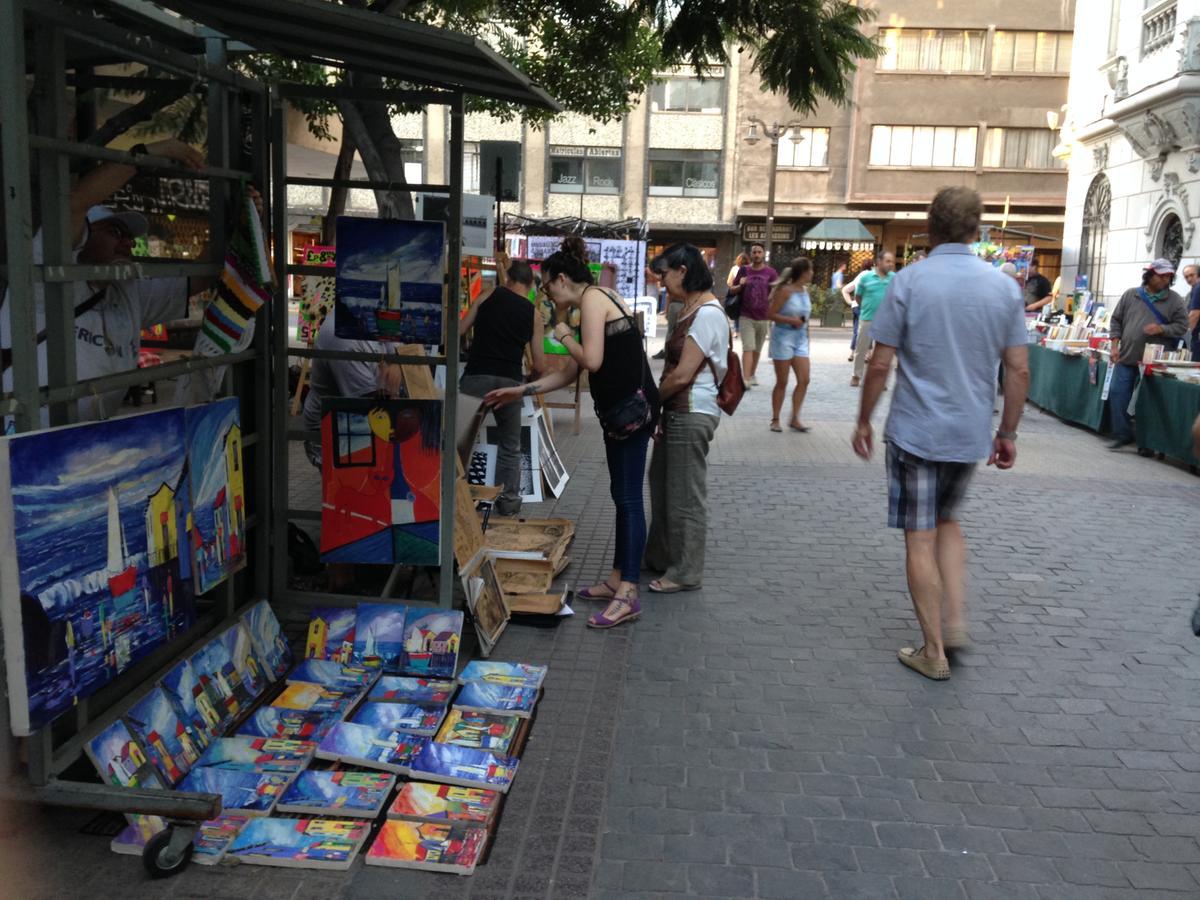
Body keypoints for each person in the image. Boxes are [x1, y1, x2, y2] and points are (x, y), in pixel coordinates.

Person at [852, 186, 1030, 682]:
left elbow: (881, 361)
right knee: (947, 520)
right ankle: (954, 621)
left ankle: (933, 650)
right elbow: (1018, 370)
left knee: (920, 535)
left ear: (930, 228)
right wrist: (1008, 431)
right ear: (977, 230)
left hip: (915, 430)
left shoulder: (909, 281)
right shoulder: (1004, 288)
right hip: (969, 432)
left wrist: (864, 418)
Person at [484, 237, 657, 630]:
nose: (546, 295)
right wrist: (519, 390)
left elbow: (591, 361)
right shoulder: (597, 300)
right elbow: (567, 373)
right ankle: (618, 577)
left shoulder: (594, 299)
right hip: (621, 416)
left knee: (629, 499)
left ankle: (628, 593)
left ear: (562, 279)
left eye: (547, 287)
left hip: (630, 415)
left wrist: (560, 328)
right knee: (621, 496)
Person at [1, 138, 211, 424]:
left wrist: (243, 217)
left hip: (89, 444)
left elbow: (201, 276)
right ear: (84, 235)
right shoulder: (44, 277)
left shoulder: (126, 290)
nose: (126, 244)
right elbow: (76, 203)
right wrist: (144, 155)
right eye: (114, 232)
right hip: (25, 440)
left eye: (129, 238)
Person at [643, 243, 729, 594]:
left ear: (682, 270)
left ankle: (685, 571)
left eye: (664, 273)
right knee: (661, 481)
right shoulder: (687, 308)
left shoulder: (707, 313)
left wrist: (649, 403)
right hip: (677, 412)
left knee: (684, 495)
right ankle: (661, 556)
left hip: (693, 411)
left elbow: (682, 375)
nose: (661, 281)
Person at [459, 259, 544, 516]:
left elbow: (459, 329)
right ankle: (508, 502)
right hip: (509, 381)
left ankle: (454, 499)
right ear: (530, 284)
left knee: (461, 441)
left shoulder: (486, 296)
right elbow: (540, 363)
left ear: (507, 278)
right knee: (510, 444)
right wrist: (531, 377)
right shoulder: (534, 314)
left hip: (476, 377)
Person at [301, 307, 402, 468]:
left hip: (363, 419)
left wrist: (397, 362)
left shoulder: (375, 314)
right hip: (336, 432)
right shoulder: (343, 337)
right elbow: (368, 405)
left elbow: (399, 353)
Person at [1106, 259, 1190, 449]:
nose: (1165, 280)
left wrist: (1161, 329)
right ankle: (1122, 434)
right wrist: (1113, 346)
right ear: (1150, 275)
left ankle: (1146, 442)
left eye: (1169, 276)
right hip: (1127, 356)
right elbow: (1116, 321)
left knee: (1147, 402)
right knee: (1118, 394)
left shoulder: (1175, 300)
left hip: (1153, 362)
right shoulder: (1131, 295)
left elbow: (1182, 327)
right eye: (1161, 276)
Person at [766, 257, 813, 433]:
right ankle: (775, 419)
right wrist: (790, 320)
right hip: (783, 338)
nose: (812, 273)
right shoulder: (785, 291)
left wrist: (808, 338)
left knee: (804, 379)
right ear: (803, 272)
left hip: (800, 339)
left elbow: (806, 318)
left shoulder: (805, 290)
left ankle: (794, 418)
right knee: (782, 381)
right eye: (811, 269)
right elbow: (770, 314)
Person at [728, 243, 777, 386]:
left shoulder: (771, 272)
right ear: (751, 254)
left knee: (757, 350)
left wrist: (773, 296)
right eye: (754, 252)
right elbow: (732, 290)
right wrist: (740, 284)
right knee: (748, 347)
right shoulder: (744, 270)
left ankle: (752, 374)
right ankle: (746, 378)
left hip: (763, 316)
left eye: (759, 252)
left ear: (763, 254)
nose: (756, 254)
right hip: (746, 315)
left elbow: (776, 290)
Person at [849, 251, 895, 387]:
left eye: (892, 261)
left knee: (882, 352)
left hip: (886, 321)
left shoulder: (894, 278)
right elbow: (858, 297)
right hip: (867, 317)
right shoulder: (865, 278)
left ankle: (879, 381)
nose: (891, 264)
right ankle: (856, 376)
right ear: (879, 262)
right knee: (861, 349)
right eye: (888, 261)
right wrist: (867, 308)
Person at [841, 260, 870, 362]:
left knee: (856, 330)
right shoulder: (871, 276)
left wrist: (850, 302)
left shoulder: (858, 277)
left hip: (856, 306)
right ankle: (867, 354)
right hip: (866, 306)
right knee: (867, 330)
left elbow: (845, 290)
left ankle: (852, 353)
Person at [1188, 263, 1200, 362]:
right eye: (1186, 277)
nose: (1189, 279)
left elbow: (1194, 315)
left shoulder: (1198, 288)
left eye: (1192, 275)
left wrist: (1186, 332)